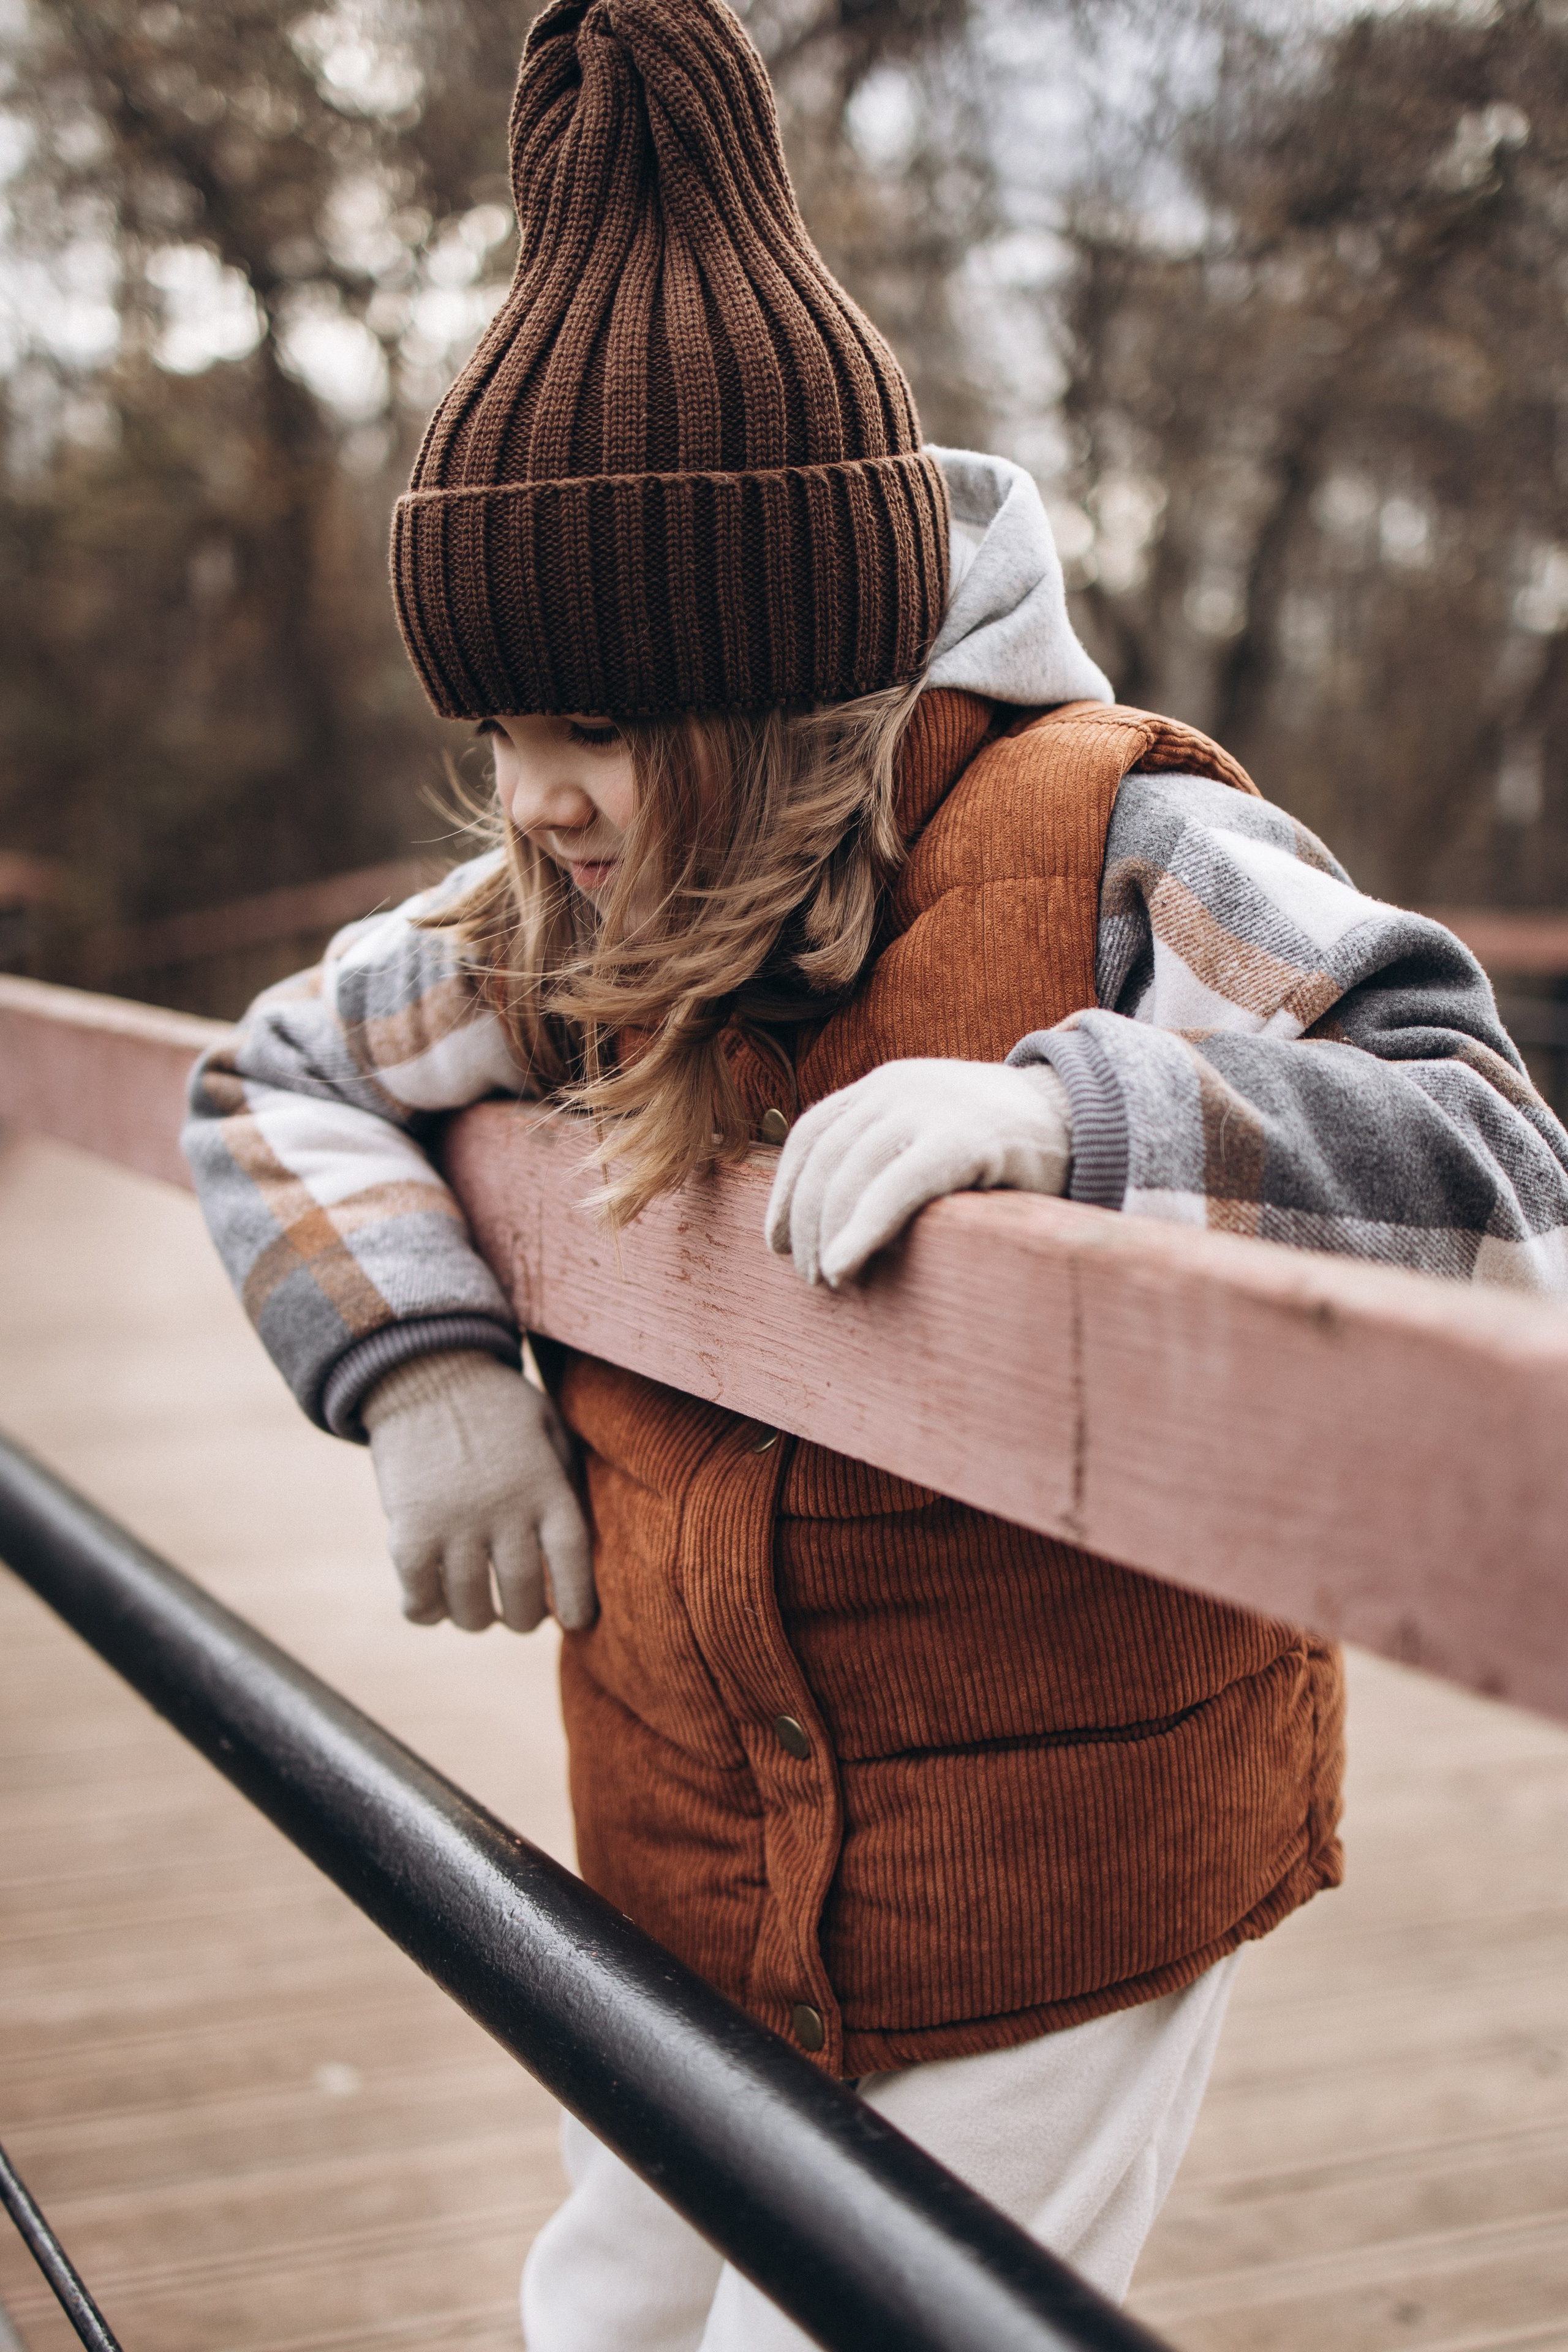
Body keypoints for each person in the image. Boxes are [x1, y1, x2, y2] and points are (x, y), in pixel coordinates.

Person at [184, 2, 1568, 2344]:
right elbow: (268, 1080)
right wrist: (424, 1363)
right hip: (688, 1849)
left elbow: (1491, 1157)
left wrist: (1071, 1111)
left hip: (1055, 1879)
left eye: (592, 727)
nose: (528, 797)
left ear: (767, 684)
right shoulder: (560, 925)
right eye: (499, 733)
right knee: (606, 2311)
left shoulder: (1118, 840)